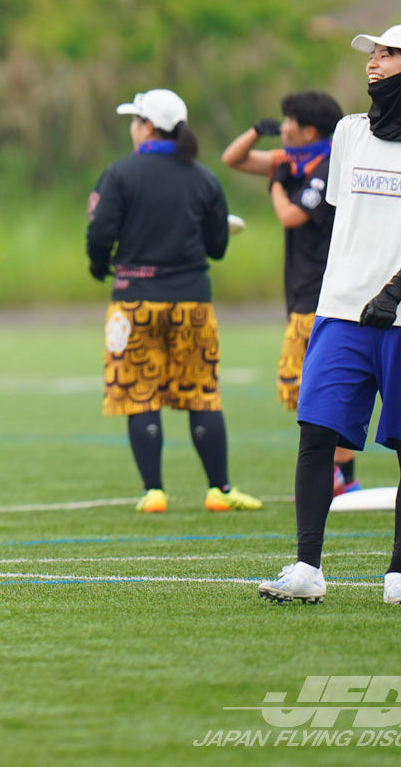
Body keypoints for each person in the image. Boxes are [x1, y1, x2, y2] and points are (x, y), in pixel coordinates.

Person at [258, 24, 401, 606]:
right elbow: (344, 218)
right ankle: (307, 568)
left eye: (387, 54)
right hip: (342, 312)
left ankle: (400, 574)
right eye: (372, 55)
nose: (373, 63)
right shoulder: (349, 132)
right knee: (315, 431)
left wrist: (394, 292)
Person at [86, 88, 263, 514]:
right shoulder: (204, 179)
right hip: (191, 304)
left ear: (147, 127)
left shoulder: (119, 174)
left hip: (134, 304)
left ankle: (154, 492)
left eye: (135, 121)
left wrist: (100, 266)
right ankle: (219, 489)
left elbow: (99, 233)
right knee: (201, 394)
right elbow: (217, 247)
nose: (132, 128)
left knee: (139, 394)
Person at [221, 91, 363, 494]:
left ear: (310, 131)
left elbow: (291, 215)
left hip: (322, 290)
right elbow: (233, 159)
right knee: (317, 387)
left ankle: (338, 473)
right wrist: (256, 131)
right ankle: (342, 474)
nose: (282, 128)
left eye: (288, 122)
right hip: (303, 289)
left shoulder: (328, 165)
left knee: (312, 387)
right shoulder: (295, 161)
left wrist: (276, 184)